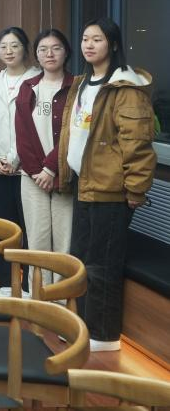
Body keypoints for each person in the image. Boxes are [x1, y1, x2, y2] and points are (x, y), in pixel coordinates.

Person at [59, 18, 155, 352]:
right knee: (82, 260)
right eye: (85, 38)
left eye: (97, 39)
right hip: (84, 184)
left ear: (112, 44)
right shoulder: (83, 83)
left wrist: (136, 189)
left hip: (110, 190)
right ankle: (81, 326)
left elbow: (137, 143)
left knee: (102, 265)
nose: (89, 45)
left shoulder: (125, 88)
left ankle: (103, 336)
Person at [14, 28, 74, 290]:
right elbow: (22, 134)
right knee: (37, 242)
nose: (49, 54)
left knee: (64, 243)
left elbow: (75, 133)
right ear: (36, 55)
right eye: (43, 49)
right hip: (33, 178)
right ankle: (39, 298)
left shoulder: (76, 88)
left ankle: (60, 301)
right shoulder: (28, 87)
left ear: (66, 52)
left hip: (64, 175)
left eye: (56, 48)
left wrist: (51, 168)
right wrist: (38, 171)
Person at [0, 26, 39, 295]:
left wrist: (16, 158)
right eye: (3, 46)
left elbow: (33, 128)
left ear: (25, 49)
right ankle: (6, 282)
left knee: (29, 229)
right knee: (1, 228)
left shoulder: (37, 80)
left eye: (14, 45)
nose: (8, 51)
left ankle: (27, 284)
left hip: (27, 171)